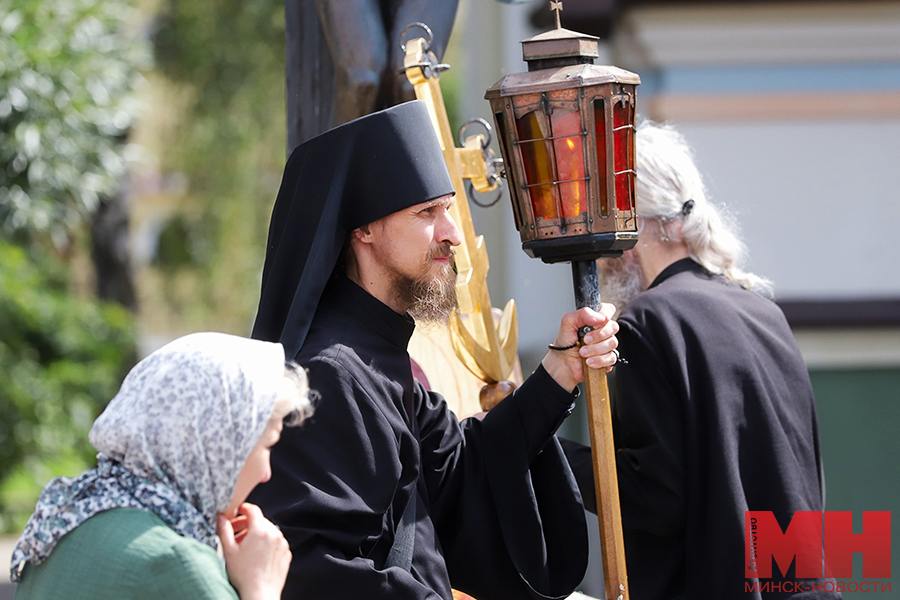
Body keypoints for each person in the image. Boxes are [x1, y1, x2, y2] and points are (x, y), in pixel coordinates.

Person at [249, 99, 620, 600]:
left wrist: (559, 370)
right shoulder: (328, 373)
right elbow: (315, 568)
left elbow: (463, 470)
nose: (453, 234)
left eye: (448, 208)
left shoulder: (379, 356)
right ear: (363, 229)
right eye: (429, 212)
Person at [561, 122, 838, 599]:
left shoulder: (651, 320)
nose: (604, 253)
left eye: (610, 223)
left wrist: (541, 449)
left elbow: (657, 497)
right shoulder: (763, 311)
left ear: (651, 223)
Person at [10, 332, 315, 600]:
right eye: (267, 447)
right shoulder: (176, 563)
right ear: (217, 443)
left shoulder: (64, 519)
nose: (266, 474)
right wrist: (262, 587)